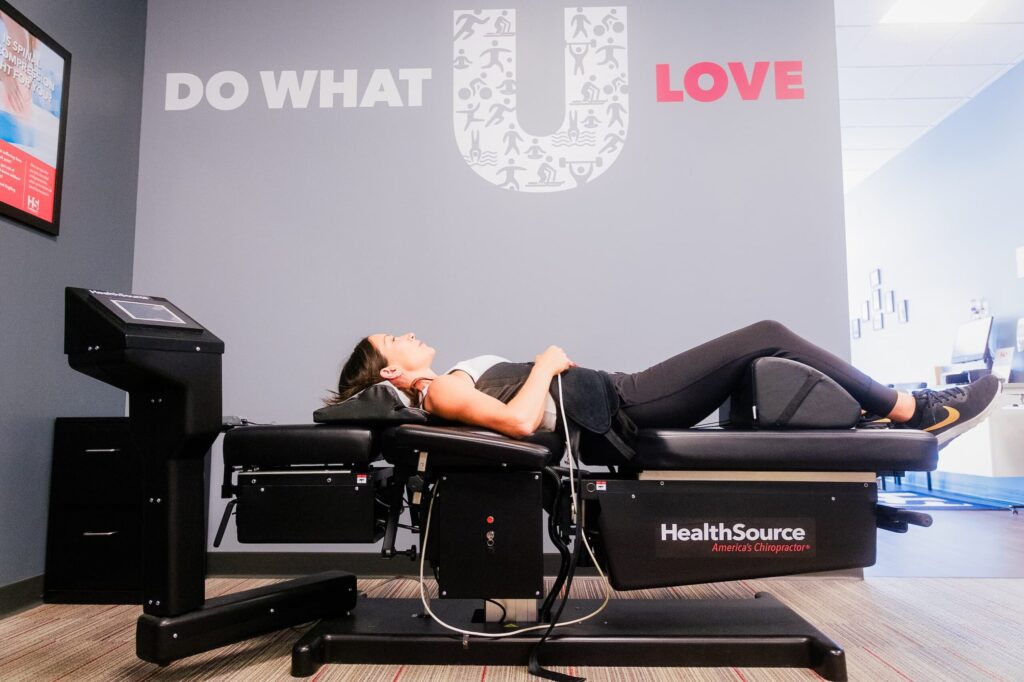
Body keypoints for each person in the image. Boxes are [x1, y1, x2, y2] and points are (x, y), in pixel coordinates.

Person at [326, 320, 1002, 447]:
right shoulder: (438, 390)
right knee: (766, 332)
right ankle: (915, 411)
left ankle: (884, 411)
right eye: (395, 338)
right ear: (392, 372)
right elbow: (521, 424)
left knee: (759, 350)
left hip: (623, 395)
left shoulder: (442, 385)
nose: (409, 332)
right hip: (628, 401)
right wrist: (546, 361)